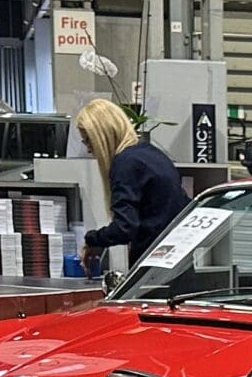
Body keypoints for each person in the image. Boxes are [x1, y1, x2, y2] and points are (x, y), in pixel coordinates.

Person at [74, 97, 184, 277]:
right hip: (178, 264)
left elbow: (125, 227)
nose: (88, 149)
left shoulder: (125, 164)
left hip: (152, 271)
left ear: (101, 137)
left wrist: (92, 239)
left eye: (88, 141)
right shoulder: (152, 155)